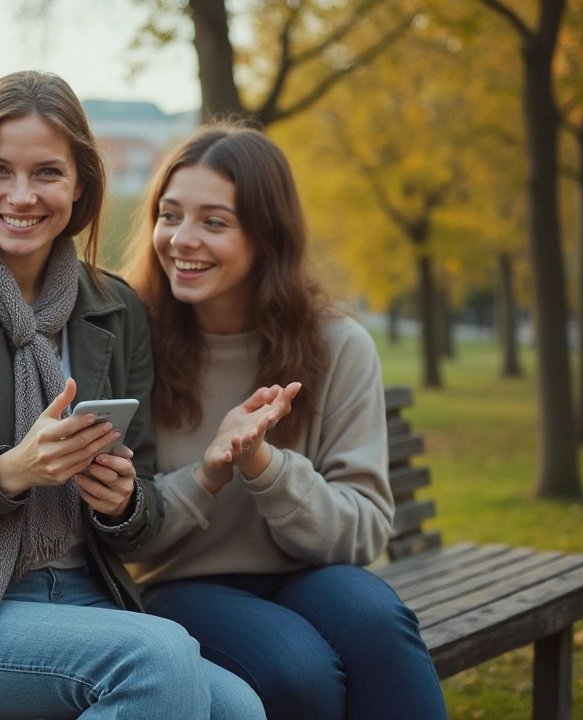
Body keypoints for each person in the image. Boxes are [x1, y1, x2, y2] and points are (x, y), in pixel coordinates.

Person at [0, 71, 265, 720]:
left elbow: (138, 511)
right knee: (159, 659)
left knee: (241, 709)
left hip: (86, 593)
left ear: (81, 184)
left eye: (47, 174)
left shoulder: (115, 309)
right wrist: (12, 471)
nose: (22, 196)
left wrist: (121, 502)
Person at [120, 126, 448, 720]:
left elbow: (365, 532)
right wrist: (211, 471)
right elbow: (125, 536)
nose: (182, 239)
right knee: (297, 672)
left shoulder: (337, 345)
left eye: (214, 222)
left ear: (266, 237)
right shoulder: (130, 341)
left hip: (310, 574)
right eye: (170, 216)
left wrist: (265, 468)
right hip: (175, 585)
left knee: (377, 620)